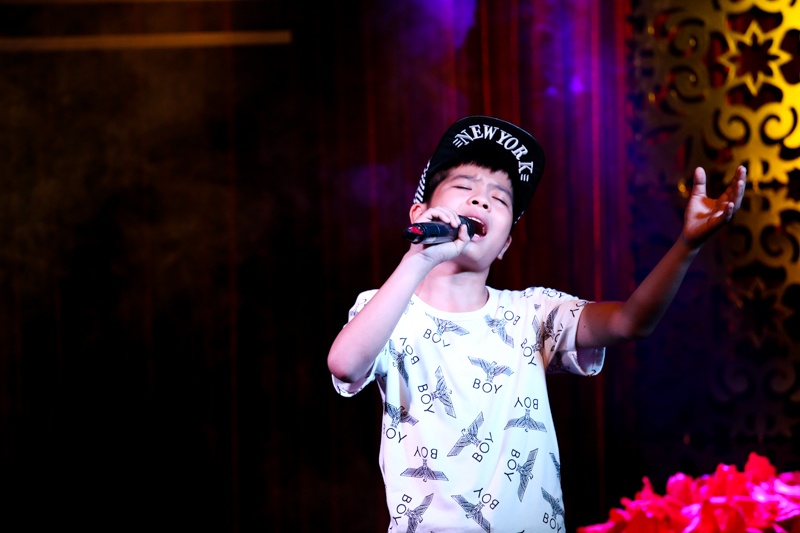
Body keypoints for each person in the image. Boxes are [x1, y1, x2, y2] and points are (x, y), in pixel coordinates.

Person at [327, 115, 746, 532]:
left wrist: (687, 245)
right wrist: (419, 257)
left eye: (500, 199)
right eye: (464, 187)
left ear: (505, 243)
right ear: (421, 211)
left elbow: (629, 321)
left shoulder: (532, 313)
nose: (481, 200)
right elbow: (345, 364)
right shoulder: (388, 308)